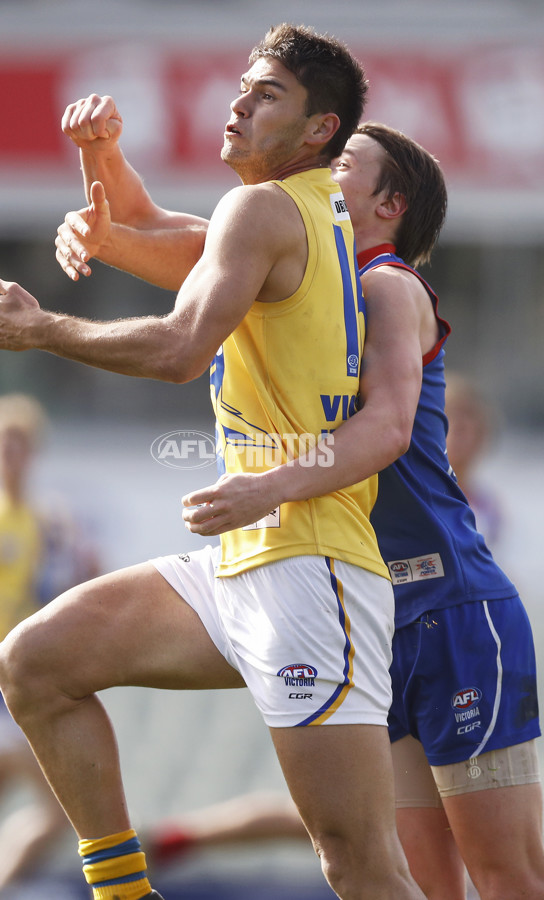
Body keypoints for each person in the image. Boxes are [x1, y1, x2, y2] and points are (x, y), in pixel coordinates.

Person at [0, 25, 427, 900]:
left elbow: (181, 347)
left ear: (319, 130)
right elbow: (143, 227)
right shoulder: (287, 216)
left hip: (310, 568)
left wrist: (42, 330)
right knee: (36, 662)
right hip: (247, 561)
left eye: (267, 95)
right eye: (243, 87)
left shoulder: (267, 211)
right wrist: (100, 154)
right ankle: (125, 893)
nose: (239, 103)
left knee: (360, 861)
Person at [54, 101, 544, 900]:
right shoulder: (293, 269)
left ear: (390, 208)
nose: (323, 172)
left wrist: (266, 487)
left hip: (450, 606)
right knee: (418, 879)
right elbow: (150, 225)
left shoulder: (385, 286)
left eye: (344, 163)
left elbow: (385, 428)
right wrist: (102, 158)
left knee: (508, 878)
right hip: (372, 608)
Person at [0, 393, 100, 900]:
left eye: (19, 445)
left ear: (33, 453)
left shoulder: (52, 523)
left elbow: (91, 581)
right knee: (61, 813)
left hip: (23, 692)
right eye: (0, 445)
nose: (10, 455)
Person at [444, 372, 504, 549]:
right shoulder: (413, 495)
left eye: (468, 416)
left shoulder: (489, 504)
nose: (459, 426)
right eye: (448, 414)